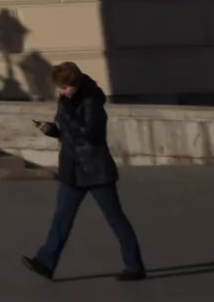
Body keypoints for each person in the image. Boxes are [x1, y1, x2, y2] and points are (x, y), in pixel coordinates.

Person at [23, 61, 144, 282]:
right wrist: (51, 130)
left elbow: (90, 133)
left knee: (115, 219)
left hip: (96, 171)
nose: (61, 91)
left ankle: (135, 266)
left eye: (65, 87)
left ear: (75, 83)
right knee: (61, 217)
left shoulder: (91, 101)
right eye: (59, 88)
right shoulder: (68, 99)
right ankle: (45, 262)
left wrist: (66, 118)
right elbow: (68, 134)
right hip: (72, 169)